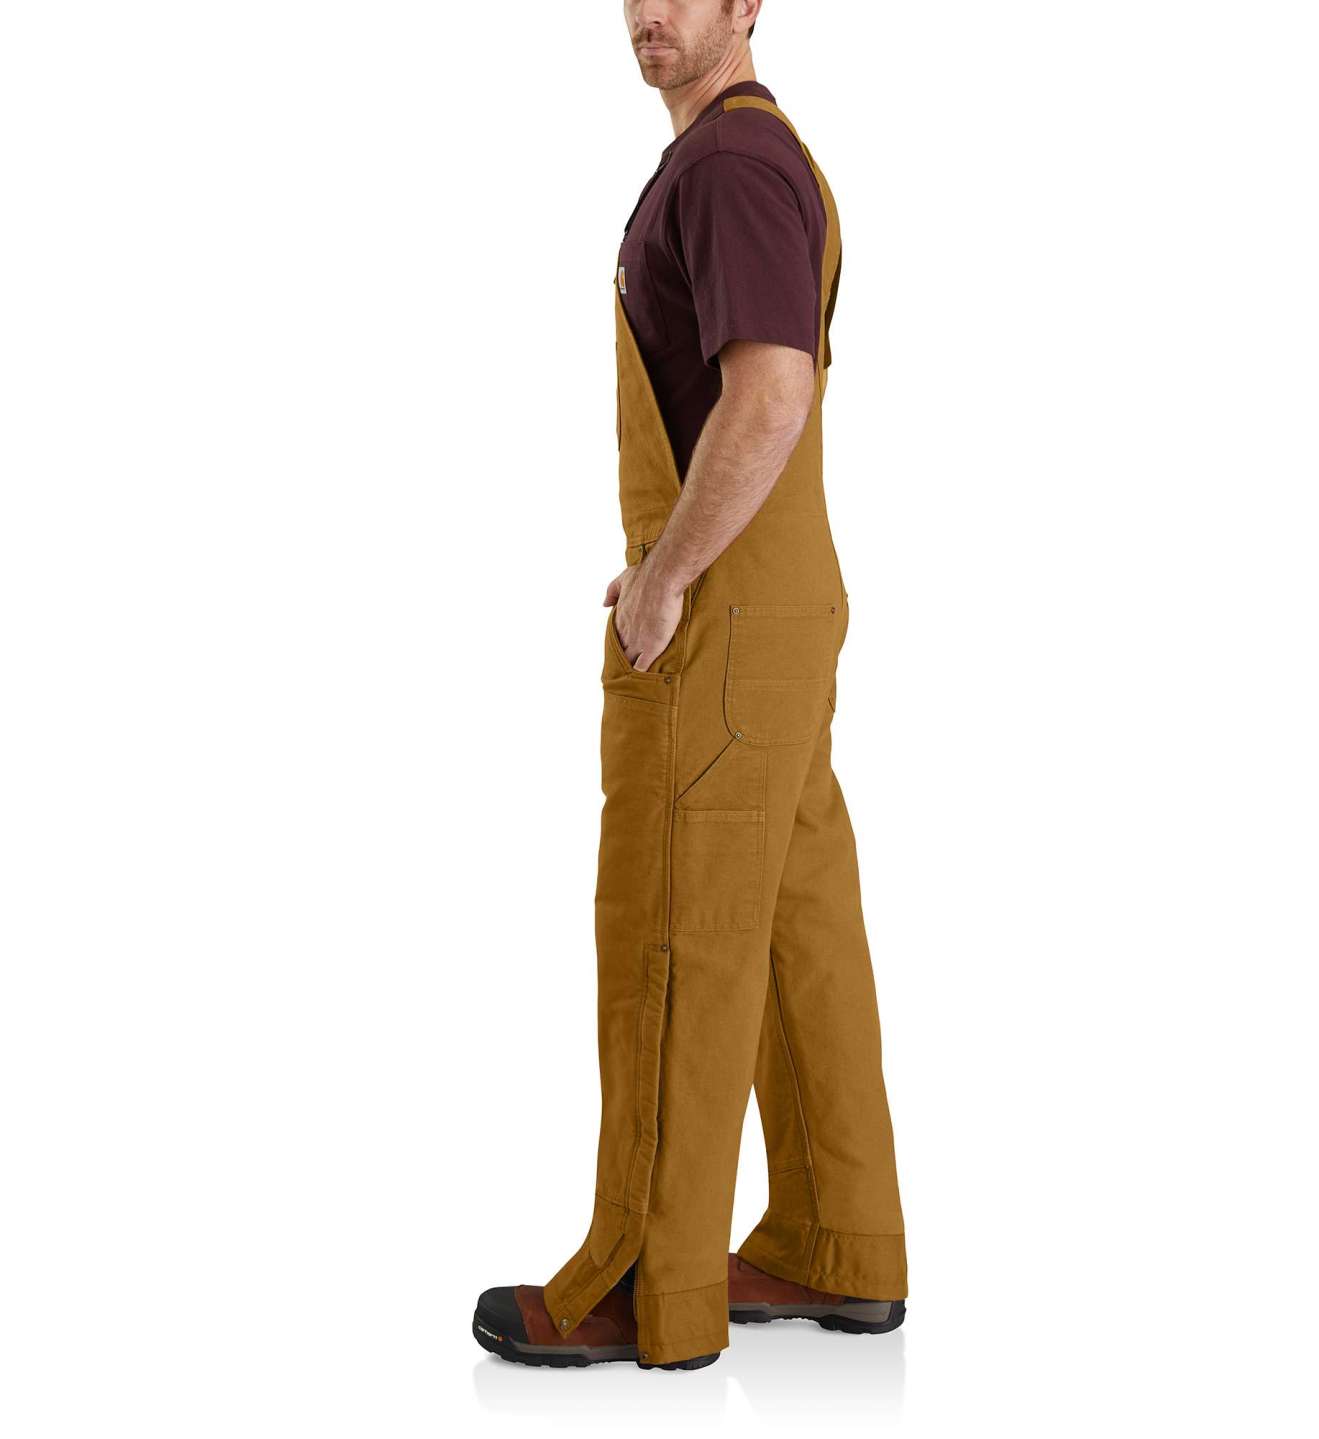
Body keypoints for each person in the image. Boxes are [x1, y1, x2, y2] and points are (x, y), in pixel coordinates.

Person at [473, 0, 907, 1372]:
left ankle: (643, 1282)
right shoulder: (759, 155)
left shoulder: (723, 165)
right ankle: (837, 1240)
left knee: (677, 933)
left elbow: (768, 393)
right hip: (781, 604)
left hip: (723, 624)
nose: (650, 13)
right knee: (792, 930)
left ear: (748, 4)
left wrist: (664, 579)